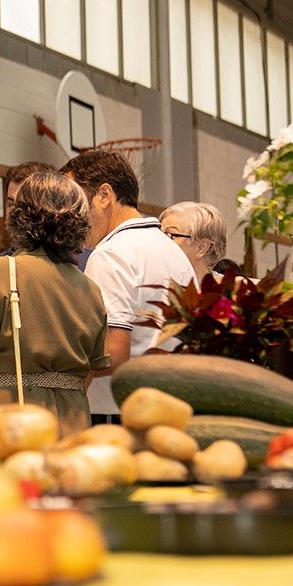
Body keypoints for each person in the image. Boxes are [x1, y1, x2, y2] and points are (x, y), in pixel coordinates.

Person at [0, 172, 110, 436]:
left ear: (21, 217)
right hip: (74, 426)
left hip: (11, 423)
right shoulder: (90, 289)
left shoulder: (2, 271)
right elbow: (88, 373)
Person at [60, 150, 196, 424]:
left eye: (75, 203)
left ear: (104, 195)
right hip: (169, 406)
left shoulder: (111, 253)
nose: (71, 217)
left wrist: (58, 367)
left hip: (117, 412)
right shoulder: (173, 251)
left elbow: (114, 352)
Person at [160, 201, 238, 281]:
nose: (158, 241)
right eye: (158, 234)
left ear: (202, 247)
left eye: (169, 235)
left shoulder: (230, 291)